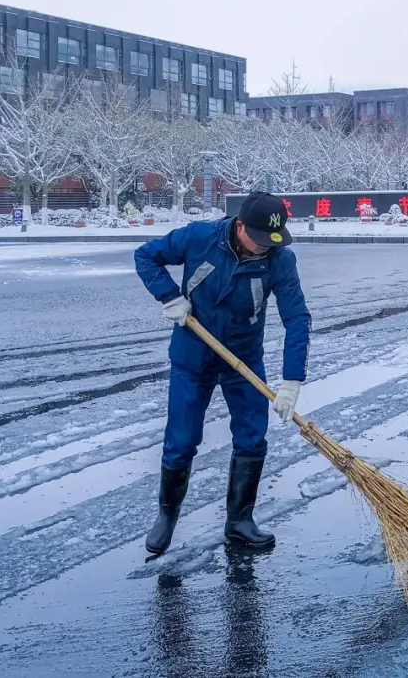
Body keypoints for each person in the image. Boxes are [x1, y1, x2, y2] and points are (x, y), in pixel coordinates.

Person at [134, 191, 312, 555]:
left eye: (271, 242)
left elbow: (297, 318)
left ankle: (240, 521)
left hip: (244, 360)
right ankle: (167, 516)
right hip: (192, 357)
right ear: (241, 225)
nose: (264, 248)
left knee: (252, 438)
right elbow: (145, 256)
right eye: (259, 240)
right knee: (181, 441)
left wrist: (292, 379)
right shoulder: (200, 237)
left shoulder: (280, 259)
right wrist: (170, 296)